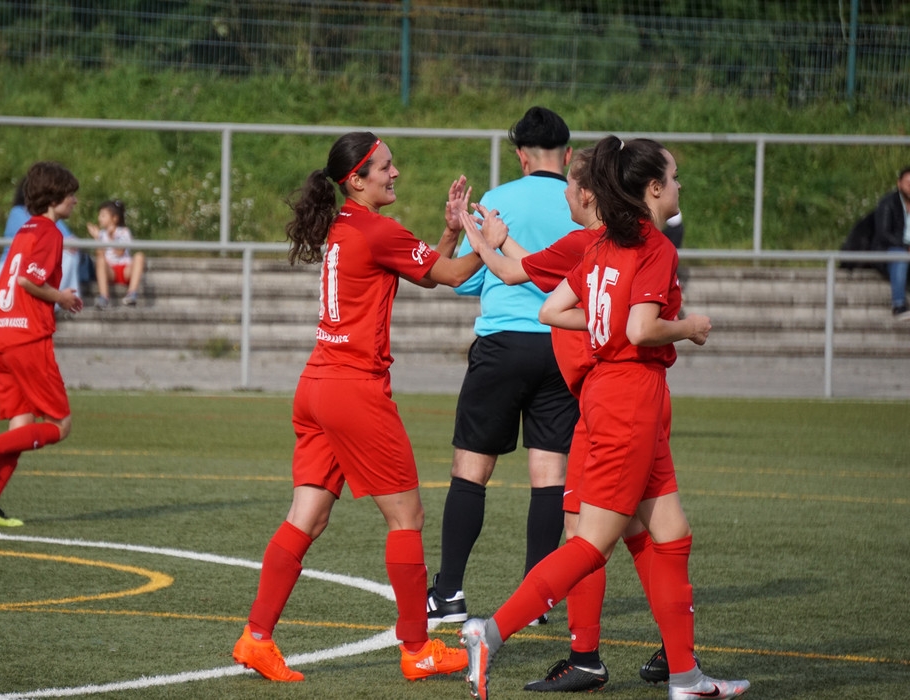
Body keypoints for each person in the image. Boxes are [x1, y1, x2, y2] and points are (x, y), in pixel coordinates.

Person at [458, 136, 750, 700]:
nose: (679, 186)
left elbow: (552, 309)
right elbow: (640, 330)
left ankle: (686, 678)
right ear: (653, 188)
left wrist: (601, 326)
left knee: (671, 534)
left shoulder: (601, 244)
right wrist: (689, 328)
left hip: (608, 396)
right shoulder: (652, 246)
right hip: (629, 398)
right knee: (590, 545)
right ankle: (488, 633)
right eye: (674, 177)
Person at [232, 132, 490, 685]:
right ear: (356, 179)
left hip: (316, 385)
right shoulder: (377, 229)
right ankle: (417, 648)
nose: (395, 174)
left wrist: (449, 232)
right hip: (353, 390)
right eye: (386, 167)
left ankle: (256, 638)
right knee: (407, 519)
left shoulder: (346, 225)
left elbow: (426, 272)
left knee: (307, 517)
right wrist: (488, 242)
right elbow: (450, 277)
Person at [426, 107, 579, 633]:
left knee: (472, 468)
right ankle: (537, 597)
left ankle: (449, 591)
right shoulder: (581, 204)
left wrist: (465, 232)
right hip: (561, 344)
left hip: (502, 343)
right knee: (550, 474)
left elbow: (467, 279)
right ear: (568, 155)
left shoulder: (497, 201)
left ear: (520, 156)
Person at [0, 161, 83, 527]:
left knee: (21, 428)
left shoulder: (24, 229)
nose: (75, 201)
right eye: (71, 195)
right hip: (26, 338)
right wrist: (62, 298)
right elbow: (28, 282)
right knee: (60, 425)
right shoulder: (50, 232)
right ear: (55, 197)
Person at [0, 177, 84, 312]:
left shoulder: (49, 223)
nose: (75, 201)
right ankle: (59, 300)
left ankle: (62, 300)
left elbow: (69, 239)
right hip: (16, 270)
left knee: (69, 256)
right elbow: (25, 279)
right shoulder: (20, 214)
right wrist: (60, 297)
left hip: (30, 272)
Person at [86, 199, 146, 308]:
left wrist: (111, 237)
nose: (99, 218)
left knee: (139, 256)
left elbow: (120, 251)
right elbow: (99, 254)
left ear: (114, 218)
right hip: (110, 270)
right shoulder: (101, 234)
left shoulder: (124, 232)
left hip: (125, 269)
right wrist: (97, 239)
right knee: (100, 260)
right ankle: (104, 296)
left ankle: (132, 293)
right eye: (100, 215)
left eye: (103, 215)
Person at [872, 166, 910, 320]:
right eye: (908, 183)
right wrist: (906, 247)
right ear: (899, 184)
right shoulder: (888, 203)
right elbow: (884, 234)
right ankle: (899, 305)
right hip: (889, 249)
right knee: (900, 257)